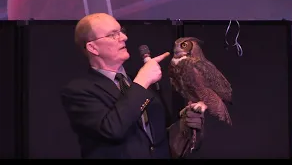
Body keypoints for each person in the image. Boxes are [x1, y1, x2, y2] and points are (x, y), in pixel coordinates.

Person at [60, 13, 207, 159]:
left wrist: (185, 125)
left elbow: (160, 137)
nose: (124, 38)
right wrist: (142, 81)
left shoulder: (141, 83)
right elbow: (112, 130)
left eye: (121, 31)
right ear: (93, 48)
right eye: (113, 35)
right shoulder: (78, 91)